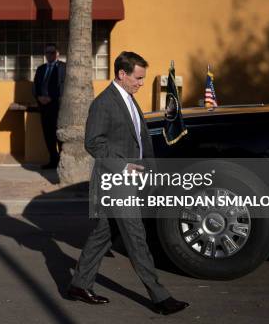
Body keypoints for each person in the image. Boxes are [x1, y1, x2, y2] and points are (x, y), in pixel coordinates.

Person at [66, 51, 189, 316]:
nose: (141, 82)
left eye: (142, 78)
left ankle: (79, 285)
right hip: (116, 180)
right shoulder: (104, 103)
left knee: (103, 234)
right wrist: (123, 165)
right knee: (136, 237)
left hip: (133, 179)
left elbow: (140, 140)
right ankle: (160, 297)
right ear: (122, 74)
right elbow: (93, 142)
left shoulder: (129, 99)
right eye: (138, 77)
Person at [33, 43, 66, 169]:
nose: (49, 55)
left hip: (58, 106)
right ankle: (53, 160)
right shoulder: (41, 69)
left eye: (52, 52)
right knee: (48, 135)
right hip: (44, 107)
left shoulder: (64, 67)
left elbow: (64, 86)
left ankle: (62, 162)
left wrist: (52, 97)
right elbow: (35, 86)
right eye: (47, 52)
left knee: (59, 135)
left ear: (57, 53)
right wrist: (39, 97)